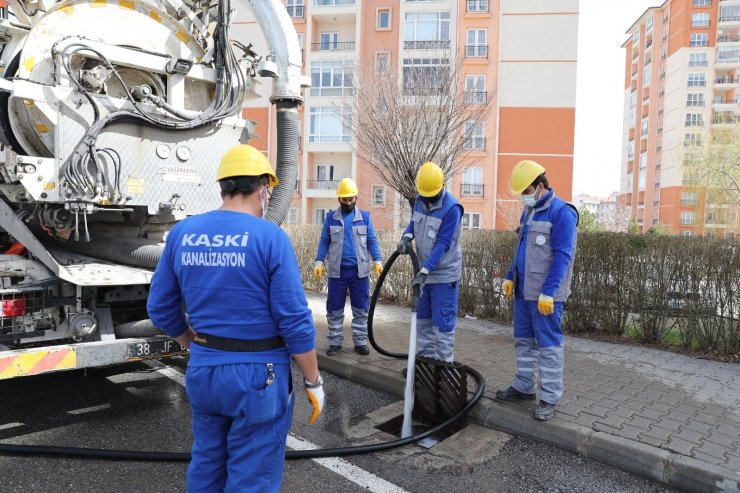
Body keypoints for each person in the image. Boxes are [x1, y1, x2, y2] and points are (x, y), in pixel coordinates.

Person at [147, 144, 324, 492]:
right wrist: (312, 379)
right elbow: (294, 320)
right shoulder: (271, 238)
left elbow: (159, 306)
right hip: (259, 377)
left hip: (204, 371)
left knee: (208, 464)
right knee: (252, 476)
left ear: (223, 188)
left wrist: (189, 341)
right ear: (263, 190)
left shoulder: (184, 233)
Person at [496, 159, 579, 422]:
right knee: (523, 341)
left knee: (548, 346)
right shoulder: (529, 212)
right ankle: (524, 386)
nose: (524, 197)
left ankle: (550, 397)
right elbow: (520, 248)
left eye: (526, 191)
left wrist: (549, 292)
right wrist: (510, 276)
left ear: (540, 186)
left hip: (545, 297)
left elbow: (563, 257)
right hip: (523, 292)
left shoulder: (562, 213)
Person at [396, 161, 463, 363]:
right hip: (423, 273)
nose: (428, 200)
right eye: (425, 196)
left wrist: (425, 270)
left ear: (442, 186)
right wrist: (407, 236)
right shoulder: (420, 199)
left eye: (431, 196)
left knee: (442, 327)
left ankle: (443, 371)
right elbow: (413, 223)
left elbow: (443, 244)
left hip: (443, 276)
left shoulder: (452, 209)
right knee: (423, 322)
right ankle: (425, 369)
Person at [314, 178, 383, 356]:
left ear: (356, 197)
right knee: (334, 308)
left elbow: (372, 241)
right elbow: (324, 241)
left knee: (361, 308)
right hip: (337, 273)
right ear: (339, 199)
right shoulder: (330, 219)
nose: (348, 202)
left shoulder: (365, 218)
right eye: (345, 199)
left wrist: (378, 260)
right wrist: (319, 262)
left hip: (359, 273)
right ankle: (335, 342)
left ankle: (360, 342)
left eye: (351, 199)